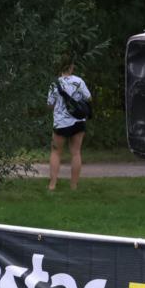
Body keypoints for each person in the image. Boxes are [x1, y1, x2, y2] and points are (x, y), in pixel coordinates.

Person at [46, 60, 90, 191]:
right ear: (71, 67)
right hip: (78, 121)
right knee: (76, 153)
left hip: (61, 123)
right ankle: (74, 186)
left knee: (56, 152)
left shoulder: (55, 83)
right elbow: (88, 98)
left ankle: (52, 185)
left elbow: (49, 104)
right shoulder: (79, 81)